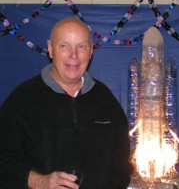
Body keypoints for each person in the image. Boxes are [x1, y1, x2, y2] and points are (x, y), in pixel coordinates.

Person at [0, 17, 133, 189]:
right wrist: (40, 182)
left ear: (91, 50)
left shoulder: (105, 101)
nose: (74, 55)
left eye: (81, 46)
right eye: (64, 46)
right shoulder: (22, 100)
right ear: (50, 49)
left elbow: (121, 167)